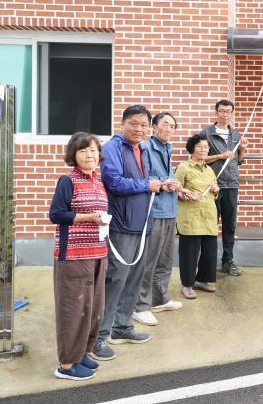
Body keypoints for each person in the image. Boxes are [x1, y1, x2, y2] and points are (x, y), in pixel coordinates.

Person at [90, 105, 162, 361]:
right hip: (121, 226)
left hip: (141, 225)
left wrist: (162, 184)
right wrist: (148, 184)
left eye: (144, 125)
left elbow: (145, 184)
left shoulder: (140, 148)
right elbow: (113, 182)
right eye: (134, 123)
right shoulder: (112, 148)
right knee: (115, 280)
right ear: (122, 124)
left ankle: (122, 328)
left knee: (133, 278)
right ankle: (97, 338)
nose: (139, 129)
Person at [49, 132, 108, 380]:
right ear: (73, 155)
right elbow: (56, 215)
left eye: (93, 150)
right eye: (83, 151)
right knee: (73, 310)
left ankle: (81, 352)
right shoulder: (67, 180)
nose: (89, 155)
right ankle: (66, 365)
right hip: (73, 256)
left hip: (98, 254)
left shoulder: (99, 181)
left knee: (92, 308)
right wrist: (88, 217)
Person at [132, 113, 183, 326]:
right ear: (153, 127)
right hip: (154, 211)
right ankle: (140, 306)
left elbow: (166, 177)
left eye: (172, 126)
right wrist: (163, 182)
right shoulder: (144, 148)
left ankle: (160, 299)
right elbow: (141, 178)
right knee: (149, 261)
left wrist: (179, 186)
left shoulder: (167, 148)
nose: (169, 129)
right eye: (165, 125)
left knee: (165, 260)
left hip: (170, 210)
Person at [201, 100, 248, 277]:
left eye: (228, 112)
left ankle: (228, 260)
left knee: (229, 225)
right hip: (213, 185)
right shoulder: (207, 133)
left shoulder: (235, 134)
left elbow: (238, 161)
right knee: (210, 224)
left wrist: (242, 149)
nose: (225, 115)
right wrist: (221, 155)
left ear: (232, 113)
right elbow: (200, 159)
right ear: (216, 113)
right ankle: (208, 261)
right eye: (221, 111)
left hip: (232, 185)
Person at [175, 133, 220, 299]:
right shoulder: (183, 168)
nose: (204, 149)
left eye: (206, 146)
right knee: (189, 253)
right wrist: (186, 193)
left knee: (209, 252)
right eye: (200, 146)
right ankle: (186, 284)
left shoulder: (209, 170)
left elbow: (213, 192)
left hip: (208, 216)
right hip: (191, 217)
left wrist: (216, 190)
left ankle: (201, 281)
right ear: (192, 149)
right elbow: (175, 191)